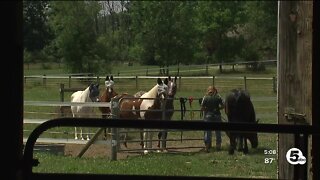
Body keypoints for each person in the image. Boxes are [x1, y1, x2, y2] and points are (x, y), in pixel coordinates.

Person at [200, 85, 224, 152]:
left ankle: (207, 146)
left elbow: (202, 108)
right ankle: (218, 146)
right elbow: (223, 105)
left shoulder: (205, 97)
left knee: (208, 132)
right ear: (215, 90)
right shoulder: (218, 97)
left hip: (208, 116)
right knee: (218, 131)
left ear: (208, 91)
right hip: (217, 115)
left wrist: (206, 109)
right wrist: (218, 108)